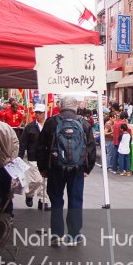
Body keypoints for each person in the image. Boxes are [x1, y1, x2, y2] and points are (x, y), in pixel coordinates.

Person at [36, 96, 96, 246]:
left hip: (55, 167)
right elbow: (91, 148)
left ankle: (56, 235)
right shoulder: (84, 123)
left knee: (56, 200)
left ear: (60, 106)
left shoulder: (51, 122)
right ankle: (74, 235)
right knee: (75, 200)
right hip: (77, 169)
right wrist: (87, 169)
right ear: (76, 107)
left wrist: (43, 168)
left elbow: (41, 147)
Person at [18, 103, 50, 210]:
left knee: (45, 180)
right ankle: (29, 194)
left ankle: (43, 200)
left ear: (44, 114)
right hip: (33, 157)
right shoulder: (29, 127)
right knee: (37, 180)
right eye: (36, 112)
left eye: (40, 113)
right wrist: (19, 158)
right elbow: (23, 143)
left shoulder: (49, 126)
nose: (38, 115)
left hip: (46, 157)